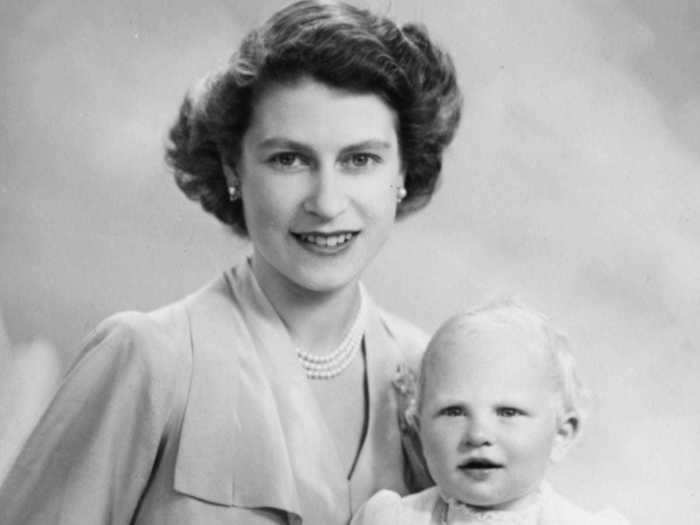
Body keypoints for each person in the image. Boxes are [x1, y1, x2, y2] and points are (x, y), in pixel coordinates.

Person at [0, 1, 461, 524]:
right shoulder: (149, 359)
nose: (327, 203)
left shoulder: (437, 375)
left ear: (404, 171)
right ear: (232, 169)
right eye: (289, 159)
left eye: (360, 159)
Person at [351, 300, 629, 524]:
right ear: (418, 428)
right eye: (454, 411)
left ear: (561, 434)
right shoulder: (391, 519)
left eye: (508, 412)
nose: (478, 434)